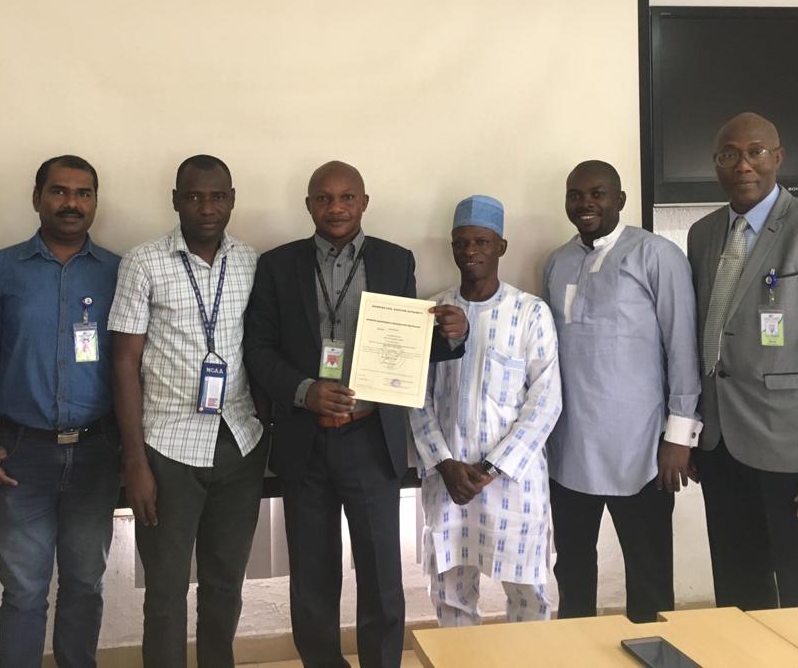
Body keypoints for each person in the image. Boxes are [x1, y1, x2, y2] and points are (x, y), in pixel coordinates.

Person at [244, 160, 468, 668]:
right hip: (306, 441)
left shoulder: (395, 260)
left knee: (382, 577)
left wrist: (451, 335)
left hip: (371, 441)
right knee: (312, 579)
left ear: (364, 202)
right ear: (309, 206)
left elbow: (405, 349)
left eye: (347, 197)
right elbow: (257, 349)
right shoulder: (278, 265)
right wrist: (304, 391)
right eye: (324, 198)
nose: (336, 207)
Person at [688, 112, 798, 612]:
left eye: (756, 151)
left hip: (793, 452)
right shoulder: (702, 235)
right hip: (720, 447)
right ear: (717, 165)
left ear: (778, 157)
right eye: (729, 154)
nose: (743, 164)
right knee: (738, 592)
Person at [109, 155, 266, 668]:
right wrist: (134, 461)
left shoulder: (249, 261)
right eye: (194, 196)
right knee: (166, 592)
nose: (207, 207)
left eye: (218, 196)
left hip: (239, 443)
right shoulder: (143, 262)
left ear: (232, 199)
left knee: (225, 586)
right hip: (167, 451)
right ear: (176, 200)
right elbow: (124, 361)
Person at [0, 155, 122, 668]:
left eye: (83, 193)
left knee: (85, 584)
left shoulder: (118, 273)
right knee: (23, 590)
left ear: (96, 202)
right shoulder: (0, 268)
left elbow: (133, 367)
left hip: (96, 452)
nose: (71, 203)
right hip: (20, 452)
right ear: (37, 198)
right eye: (59, 192)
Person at [543, 160, 702, 623]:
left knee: (649, 578)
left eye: (597, 194)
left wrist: (679, 438)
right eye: (576, 195)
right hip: (570, 450)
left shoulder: (655, 255)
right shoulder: (557, 262)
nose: (585, 203)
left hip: (643, 450)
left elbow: (682, 348)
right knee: (572, 575)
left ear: (620, 200)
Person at [410, 195, 562, 627]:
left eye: (481, 241)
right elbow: (414, 397)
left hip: (513, 480)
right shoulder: (432, 312)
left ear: (502, 246)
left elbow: (546, 400)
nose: (471, 252)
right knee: (451, 596)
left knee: (529, 595)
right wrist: (445, 464)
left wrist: (492, 467)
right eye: (461, 243)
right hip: (448, 478)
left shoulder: (531, 312)